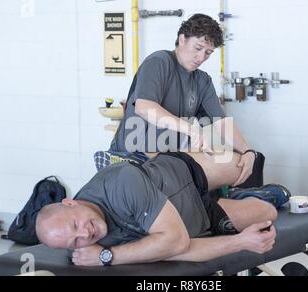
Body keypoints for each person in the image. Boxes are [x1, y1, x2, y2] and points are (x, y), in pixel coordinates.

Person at [36, 151, 289, 266]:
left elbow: (173, 241)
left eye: (75, 225)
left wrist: (107, 256)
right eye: (75, 242)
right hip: (200, 218)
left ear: (71, 202)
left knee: (242, 165)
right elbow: (176, 249)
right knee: (269, 212)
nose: (85, 234)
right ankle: (249, 197)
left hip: (184, 174)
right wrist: (240, 242)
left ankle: (236, 187)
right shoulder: (85, 247)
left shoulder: (119, 182)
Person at [109, 13, 256, 187]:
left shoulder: (202, 80)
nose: (201, 58)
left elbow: (221, 123)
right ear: (182, 39)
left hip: (167, 157)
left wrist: (248, 151)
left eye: (208, 53)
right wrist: (191, 129)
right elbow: (144, 107)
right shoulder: (159, 61)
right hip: (133, 156)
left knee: (237, 162)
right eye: (198, 48)